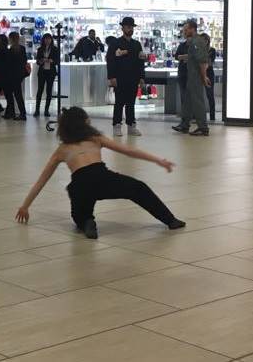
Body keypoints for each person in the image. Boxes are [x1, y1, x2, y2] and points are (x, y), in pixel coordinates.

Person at [15, 107, 185, 239]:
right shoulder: (95, 139)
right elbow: (128, 150)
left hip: (79, 185)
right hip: (102, 177)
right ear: (84, 123)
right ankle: (170, 220)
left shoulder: (62, 150)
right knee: (138, 188)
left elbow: (41, 181)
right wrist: (158, 160)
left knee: (79, 215)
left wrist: (25, 206)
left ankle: (88, 222)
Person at [106, 17, 145, 136]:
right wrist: (112, 77)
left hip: (133, 78)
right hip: (120, 77)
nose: (130, 29)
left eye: (131, 27)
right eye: (128, 27)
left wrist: (142, 77)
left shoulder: (137, 44)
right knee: (119, 102)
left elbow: (140, 62)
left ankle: (131, 125)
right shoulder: (115, 43)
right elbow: (110, 60)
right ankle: (117, 125)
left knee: (131, 103)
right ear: (122, 28)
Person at [172, 20, 211, 136]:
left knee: (197, 102)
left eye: (186, 29)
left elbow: (203, 61)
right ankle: (184, 125)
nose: (184, 31)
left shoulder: (197, 42)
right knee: (187, 102)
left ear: (193, 29)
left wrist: (204, 76)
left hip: (196, 77)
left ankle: (203, 127)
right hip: (191, 76)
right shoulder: (192, 42)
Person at [34, 33, 60, 117]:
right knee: (40, 91)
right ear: (43, 40)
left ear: (51, 40)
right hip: (42, 72)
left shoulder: (55, 49)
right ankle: (37, 110)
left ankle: (46, 110)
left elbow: (57, 61)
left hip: (51, 72)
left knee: (49, 91)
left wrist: (51, 61)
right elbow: (37, 61)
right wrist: (41, 61)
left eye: (49, 39)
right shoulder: (40, 49)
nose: (47, 40)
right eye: (46, 39)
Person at [201, 33, 218, 121]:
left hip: (209, 74)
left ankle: (212, 116)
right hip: (200, 73)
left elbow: (209, 62)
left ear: (207, 41)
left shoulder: (212, 50)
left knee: (210, 95)